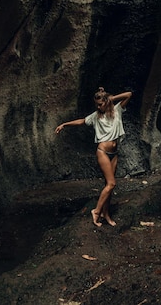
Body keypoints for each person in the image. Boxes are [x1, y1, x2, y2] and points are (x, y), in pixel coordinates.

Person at [55, 86, 133, 227]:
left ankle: (106, 214)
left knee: (109, 185)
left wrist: (111, 99)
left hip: (114, 154)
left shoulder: (117, 110)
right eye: (96, 104)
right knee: (111, 183)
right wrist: (64, 124)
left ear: (107, 102)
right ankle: (96, 211)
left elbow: (129, 94)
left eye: (100, 104)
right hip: (103, 151)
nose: (98, 106)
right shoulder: (96, 116)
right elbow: (81, 121)